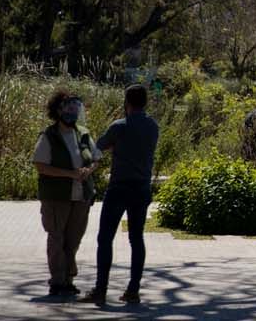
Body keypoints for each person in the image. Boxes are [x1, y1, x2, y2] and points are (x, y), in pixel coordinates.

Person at [85, 84, 160, 306]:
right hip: (142, 188)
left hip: (119, 187)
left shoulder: (119, 126)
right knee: (136, 238)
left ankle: (101, 289)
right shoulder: (153, 126)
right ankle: (133, 290)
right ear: (145, 102)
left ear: (126, 102)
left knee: (105, 238)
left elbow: (98, 148)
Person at [32, 92, 101, 298]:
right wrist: (69, 174)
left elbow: (96, 157)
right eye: (68, 107)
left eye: (75, 108)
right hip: (56, 196)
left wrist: (89, 170)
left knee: (73, 239)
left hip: (81, 196)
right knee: (56, 238)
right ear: (58, 110)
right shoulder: (48, 135)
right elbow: (40, 165)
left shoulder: (84, 133)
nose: (72, 112)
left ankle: (69, 279)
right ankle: (57, 281)